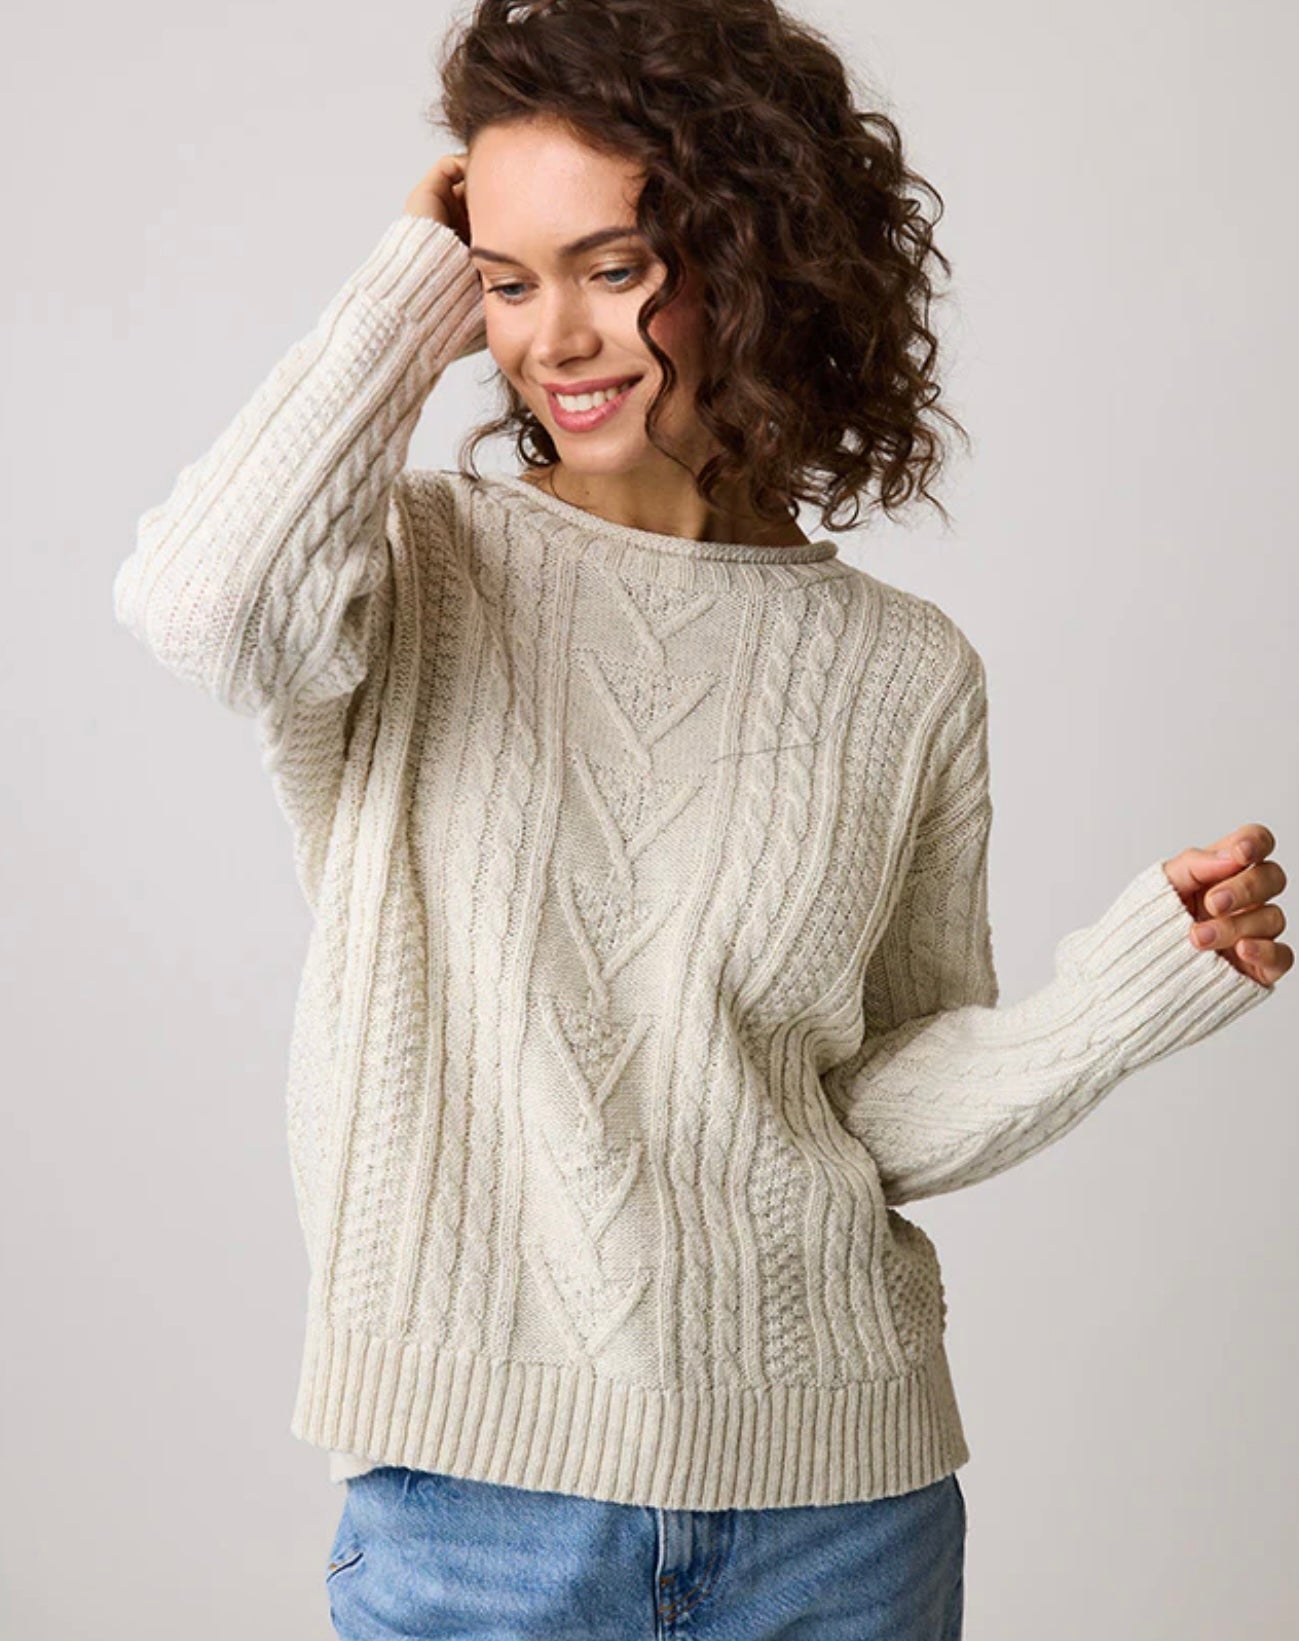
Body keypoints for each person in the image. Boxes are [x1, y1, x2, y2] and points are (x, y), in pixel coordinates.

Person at [112, 1, 1288, 1635]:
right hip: (476, 1514)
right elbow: (195, 607)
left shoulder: (904, 671)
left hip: (842, 1517)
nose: (552, 339)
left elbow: (882, 1110)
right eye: (507, 281)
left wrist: (1124, 989)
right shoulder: (409, 568)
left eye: (613, 266)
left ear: (761, 258)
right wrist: (403, 288)